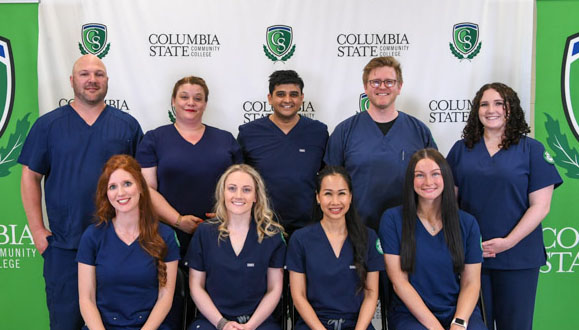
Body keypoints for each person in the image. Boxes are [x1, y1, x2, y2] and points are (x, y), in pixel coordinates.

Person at [18, 54, 143, 330]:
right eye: (84, 74)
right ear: (71, 81)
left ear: (107, 80)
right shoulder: (48, 125)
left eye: (99, 73)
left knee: (121, 323)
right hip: (65, 246)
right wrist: (38, 231)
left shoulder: (127, 126)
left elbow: (141, 184)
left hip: (120, 248)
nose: (92, 79)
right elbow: (30, 176)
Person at [446, 83, 562, 330]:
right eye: (484, 104)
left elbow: (541, 205)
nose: (492, 110)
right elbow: (449, 204)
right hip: (473, 259)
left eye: (499, 103)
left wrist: (509, 241)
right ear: (476, 110)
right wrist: (465, 243)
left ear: (511, 108)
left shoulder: (532, 150)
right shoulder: (461, 150)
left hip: (518, 259)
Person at [379, 148, 495, 330]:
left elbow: (471, 282)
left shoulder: (467, 223)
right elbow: (399, 283)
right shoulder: (393, 220)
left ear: (446, 177)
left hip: (459, 314)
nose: (428, 182)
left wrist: (459, 324)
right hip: (411, 318)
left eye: (435, 174)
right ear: (410, 181)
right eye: (420, 175)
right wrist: (435, 328)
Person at [77, 155, 179, 330]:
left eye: (127, 184)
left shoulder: (164, 235)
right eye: (112, 186)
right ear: (106, 193)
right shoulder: (93, 236)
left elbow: (166, 296)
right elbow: (86, 299)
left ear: (141, 188)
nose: (120, 192)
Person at [185, 164, 285, 330]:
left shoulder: (271, 235)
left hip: (259, 323)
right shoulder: (205, 233)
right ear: (222, 193)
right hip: (212, 321)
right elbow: (196, 286)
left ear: (256, 196)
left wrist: (248, 327)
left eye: (246, 190)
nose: (238, 195)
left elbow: (275, 288)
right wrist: (223, 324)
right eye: (232, 188)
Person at [287, 165, 385, 330]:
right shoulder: (301, 239)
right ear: (318, 197)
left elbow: (372, 293)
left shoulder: (368, 237)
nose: (335, 201)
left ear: (351, 196)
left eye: (341, 193)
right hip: (314, 329)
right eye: (328, 193)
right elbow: (298, 296)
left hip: (356, 328)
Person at [324, 56, 436, 231]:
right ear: (365, 87)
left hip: (409, 228)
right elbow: (330, 184)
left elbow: (434, 182)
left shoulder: (419, 131)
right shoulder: (344, 132)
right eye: (375, 82)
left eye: (389, 82)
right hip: (357, 230)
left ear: (399, 86)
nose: (382, 87)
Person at [137, 76, 243, 255]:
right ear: (173, 101)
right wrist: (178, 221)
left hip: (220, 233)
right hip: (167, 234)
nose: (191, 103)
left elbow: (241, 186)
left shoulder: (226, 139)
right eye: (184, 97)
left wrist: (227, 214)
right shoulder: (154, 139)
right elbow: (147, 189)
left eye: (198, 98)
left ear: (205, 103)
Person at [238, 70, 328, 235]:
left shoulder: (319, 132)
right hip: (260, 225)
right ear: (270, 98)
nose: (287, 100)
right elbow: (239, 180)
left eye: (293, 94)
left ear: (301, 98)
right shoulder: (249, 133)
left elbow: (326, 177)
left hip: (308, 227)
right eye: (280, 94)